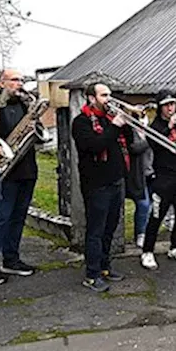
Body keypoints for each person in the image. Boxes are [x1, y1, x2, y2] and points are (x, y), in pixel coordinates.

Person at [0, 69, 39, 286]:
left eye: (21, 80)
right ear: (1, 82)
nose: (19, 83)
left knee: (18, 217)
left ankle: (11, 259)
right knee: (0, 218)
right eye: (15, 80)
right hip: (2, 171)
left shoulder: (25, 105)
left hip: (27, 168)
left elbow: (36, 134)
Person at [71, 82, 130, 293]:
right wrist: (115, 125)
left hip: (115, 181)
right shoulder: (81, 122)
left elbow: (128, 144)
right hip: (96, 184)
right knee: (95, 231)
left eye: (110, 95)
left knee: (109, 229)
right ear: (91, 98)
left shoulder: (109, 119)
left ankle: (105, 266)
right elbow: (95, 146)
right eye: (104, 95)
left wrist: (129, 124)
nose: (109, 99)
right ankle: (92, 274)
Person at [141, 90, 176, 270]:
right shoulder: (155, 126)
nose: (170, 108)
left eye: (173, 104)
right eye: (166, 105)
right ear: (160, 108)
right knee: (157, 216)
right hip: (163, 177)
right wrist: (168, 128)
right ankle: (147, 251)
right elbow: (155, 146)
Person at [124, 107, 154, 250]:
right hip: (137, 174)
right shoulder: (131, 131)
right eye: (140, 115)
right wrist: (149, 139)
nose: (143, 118)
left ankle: (147, 232)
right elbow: (134, 148)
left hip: (151, 172)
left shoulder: (150, 130)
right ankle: (140, 234)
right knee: (143, 204)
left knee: (152, 205)